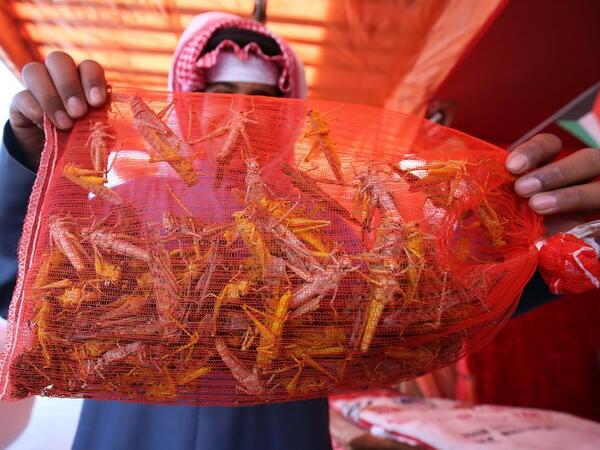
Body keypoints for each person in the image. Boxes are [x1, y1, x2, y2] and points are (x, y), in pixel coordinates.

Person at [1, 11, 599, 450]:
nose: (237, 114)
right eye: (218, 93)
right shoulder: (116, 211)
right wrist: (26, 159)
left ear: (290, 116)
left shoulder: (339, 225)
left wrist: (545, 259)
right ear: (180, 102)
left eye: (262, 99)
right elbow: (17, 283)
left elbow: (430, 311)